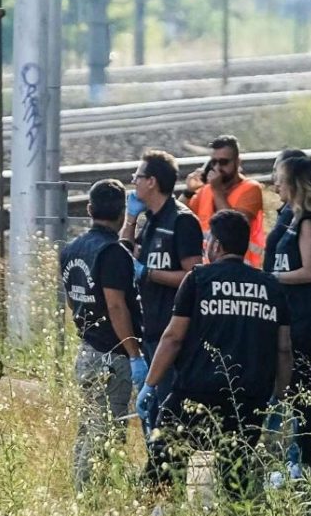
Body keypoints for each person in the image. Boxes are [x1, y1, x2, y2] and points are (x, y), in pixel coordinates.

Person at [136, 210, 293, 496]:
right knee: (236, 481)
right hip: (247, 399)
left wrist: (150, 384)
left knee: (164, 468)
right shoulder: (271, 286)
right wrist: (281, 398)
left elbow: (172, 337)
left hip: (194, 396)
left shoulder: (198, 279)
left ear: (217, 245)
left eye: (209, 240)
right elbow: (283, 348)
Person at [60, 179, 147, 489]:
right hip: (113, 356)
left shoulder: (71, 249)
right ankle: (91, 496)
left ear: (89, 209)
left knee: (88, 427)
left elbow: (72, 299)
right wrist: (134, 354)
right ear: (122, 212)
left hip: (87, 351)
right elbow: (116, 306)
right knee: (107, 431)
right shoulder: (113, 254)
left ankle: (82, 489)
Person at [121, 150, 203, 427]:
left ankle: (168, 468)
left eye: (138, 176)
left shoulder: (181, 220)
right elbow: (126, 253)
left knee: (166, 416)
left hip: (172, 333)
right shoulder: (152, 218)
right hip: (149, 329)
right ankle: (156, 468)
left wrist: (149, 273)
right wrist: (130, 220)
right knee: (149, 414)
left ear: (152, 181)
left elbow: (194, 276)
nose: (133, 181)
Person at [268, 156, 311, 473]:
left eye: (281, 179)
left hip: (303, 317)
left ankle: (303, 460)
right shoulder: (289, 218)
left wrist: (273, 278)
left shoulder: (307, 222)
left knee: (301, 388)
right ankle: (292, 457)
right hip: (287, 312)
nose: (276, 184)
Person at [182, 135, 266, 268]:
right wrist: (188, 192)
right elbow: (181, 217)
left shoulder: (250, 189)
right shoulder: (206, 190)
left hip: (242, 269)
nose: (217, 167)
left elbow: (233, 229)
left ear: (238, 162)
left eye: (224, 162)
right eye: (213, 162)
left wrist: (217, 190)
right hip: (210, 268)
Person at [264, 148, 308, 274]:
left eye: (277, 172)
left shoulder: (302, 216)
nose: (274, 179)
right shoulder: (288, 210)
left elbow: (310, 270)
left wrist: (274, 278)